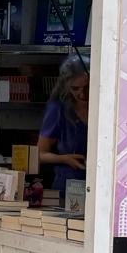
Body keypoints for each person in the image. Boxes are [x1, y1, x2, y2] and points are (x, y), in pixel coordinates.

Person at [38, 60, 89, 192]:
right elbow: (39, 154)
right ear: (66, 86)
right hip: (67, 186)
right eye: (75, 89)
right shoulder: (58, 109)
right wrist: (64, 159)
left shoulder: (107, 106)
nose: (82, 94)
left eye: (87, 87)